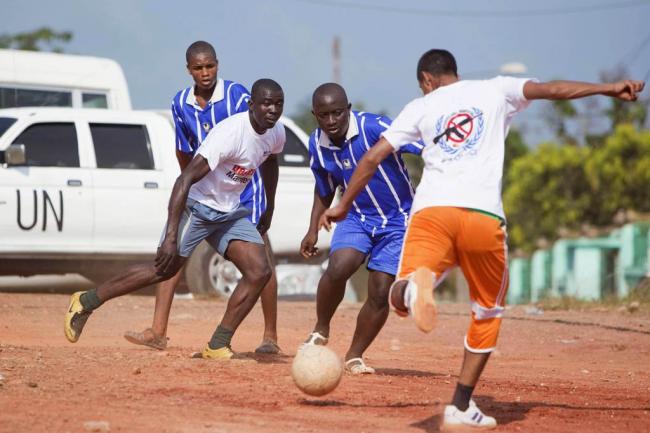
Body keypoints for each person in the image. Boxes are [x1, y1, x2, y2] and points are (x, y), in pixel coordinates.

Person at [320, 49, 644, 428]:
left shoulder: (420, 107)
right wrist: (609, 88)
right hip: (482, 215)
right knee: (487, 310)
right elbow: (553, 89)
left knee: (403, 288)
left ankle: (410, 291)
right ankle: (460, 405)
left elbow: (372, 157)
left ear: (426, 80)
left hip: (432, 214)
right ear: (453, 72)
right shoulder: (496, 89)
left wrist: (343, 205)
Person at [65, 79, 287, 360]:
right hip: (197, 208)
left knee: (259, 271)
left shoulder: (276, 132)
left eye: (278, 103)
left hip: (229, 211)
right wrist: (171, 236)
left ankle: (217, 344)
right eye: (266, 103)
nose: (273, 109)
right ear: (251, 104)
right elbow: (184, 180)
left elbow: (270, 162)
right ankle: (85, 301)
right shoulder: (230, 134)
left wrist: (269, 207)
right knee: (162, 270)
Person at [123, 40, 281, 354]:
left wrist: (265, 200)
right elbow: (184, 148)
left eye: (210, 66)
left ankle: (270, 336)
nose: (205, 73)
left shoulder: (237, 95)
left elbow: (258, 136)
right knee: (173, 253)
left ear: (218, 65)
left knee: (261, 258)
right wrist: (187, 186)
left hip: (242, 188)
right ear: (189, 70)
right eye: (198, 68)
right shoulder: (180, 103)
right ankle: (157, 330)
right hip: (204, 190)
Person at [300, 83, 423, 374]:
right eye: (324, 115)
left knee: (380, 290)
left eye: (337, 113)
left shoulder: (375, 127)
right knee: (339, 266)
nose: (331, 120)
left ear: (348, 109)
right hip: (356, 216)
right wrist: (312, 229)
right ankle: (321, 328)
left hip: (399, 220)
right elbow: (324, 187)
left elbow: (423, 147)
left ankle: (355, 355)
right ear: (315, 115)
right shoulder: (317, 142)